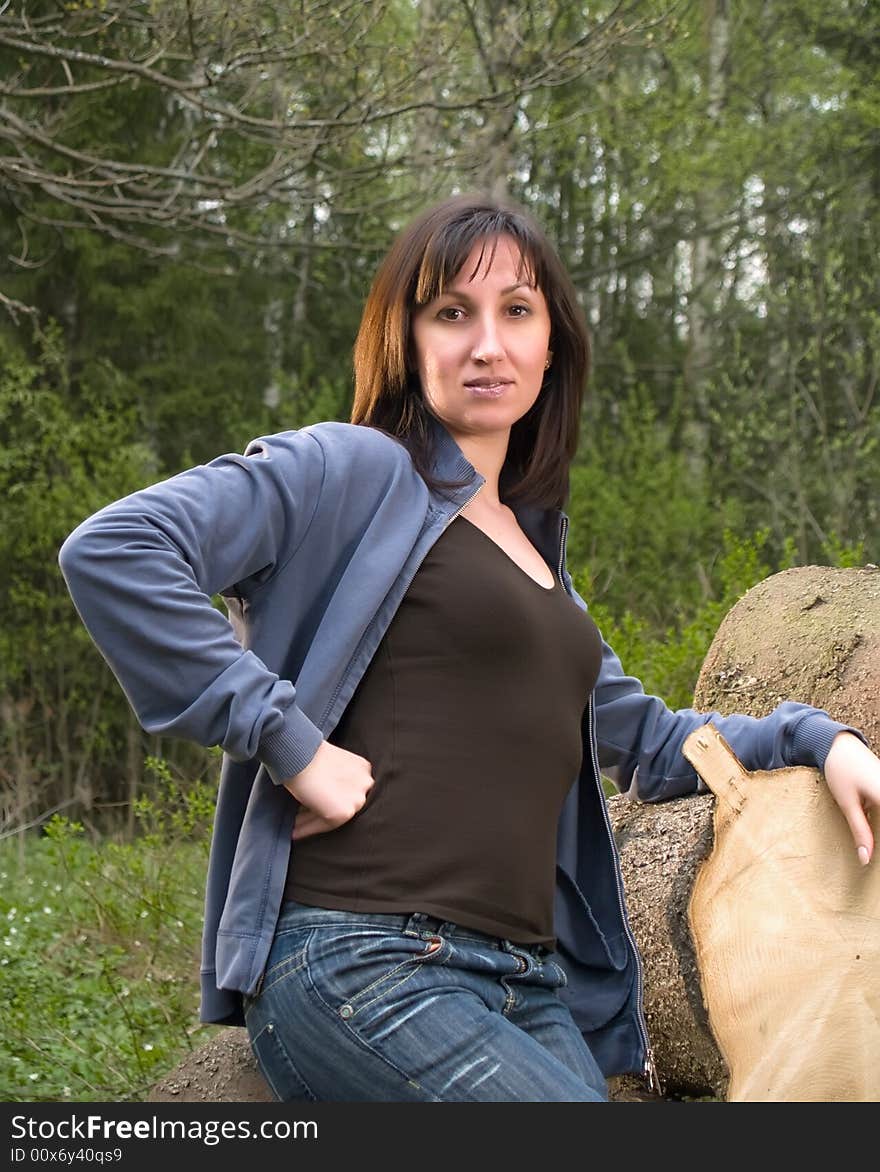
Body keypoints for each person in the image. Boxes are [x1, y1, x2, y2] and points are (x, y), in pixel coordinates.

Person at [59, 194, 880, 1103]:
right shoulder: (354, 468)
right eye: (452, 312)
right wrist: (291, 744)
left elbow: (648, 739)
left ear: (550, 347)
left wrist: (819, 738)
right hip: (365, 958)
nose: (486, 343)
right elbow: (116, 551)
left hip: (529, 991)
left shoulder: (540, 564)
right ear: (406, 340)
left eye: (516, 312)